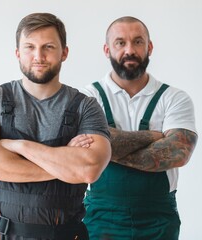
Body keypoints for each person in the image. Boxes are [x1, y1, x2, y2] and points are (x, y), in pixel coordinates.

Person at [0, 12, 111, 240]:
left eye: (48, 47)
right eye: (29, 47)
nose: (38, 56)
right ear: (17, 53)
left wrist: (18, 146)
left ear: (64, 52)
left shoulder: (86, 107)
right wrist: (64, 167)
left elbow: (89, 169)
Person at [81, 16, 198, 240]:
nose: (129, 50)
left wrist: (104, 148)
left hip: (158, 218)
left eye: (137, 42)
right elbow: (84, 152)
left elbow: (178, 153)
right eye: (120, 43)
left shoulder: (174, 98)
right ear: (107, 49)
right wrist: (153, 137)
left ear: (149, 47)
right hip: (101, 216)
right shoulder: (87, 97)